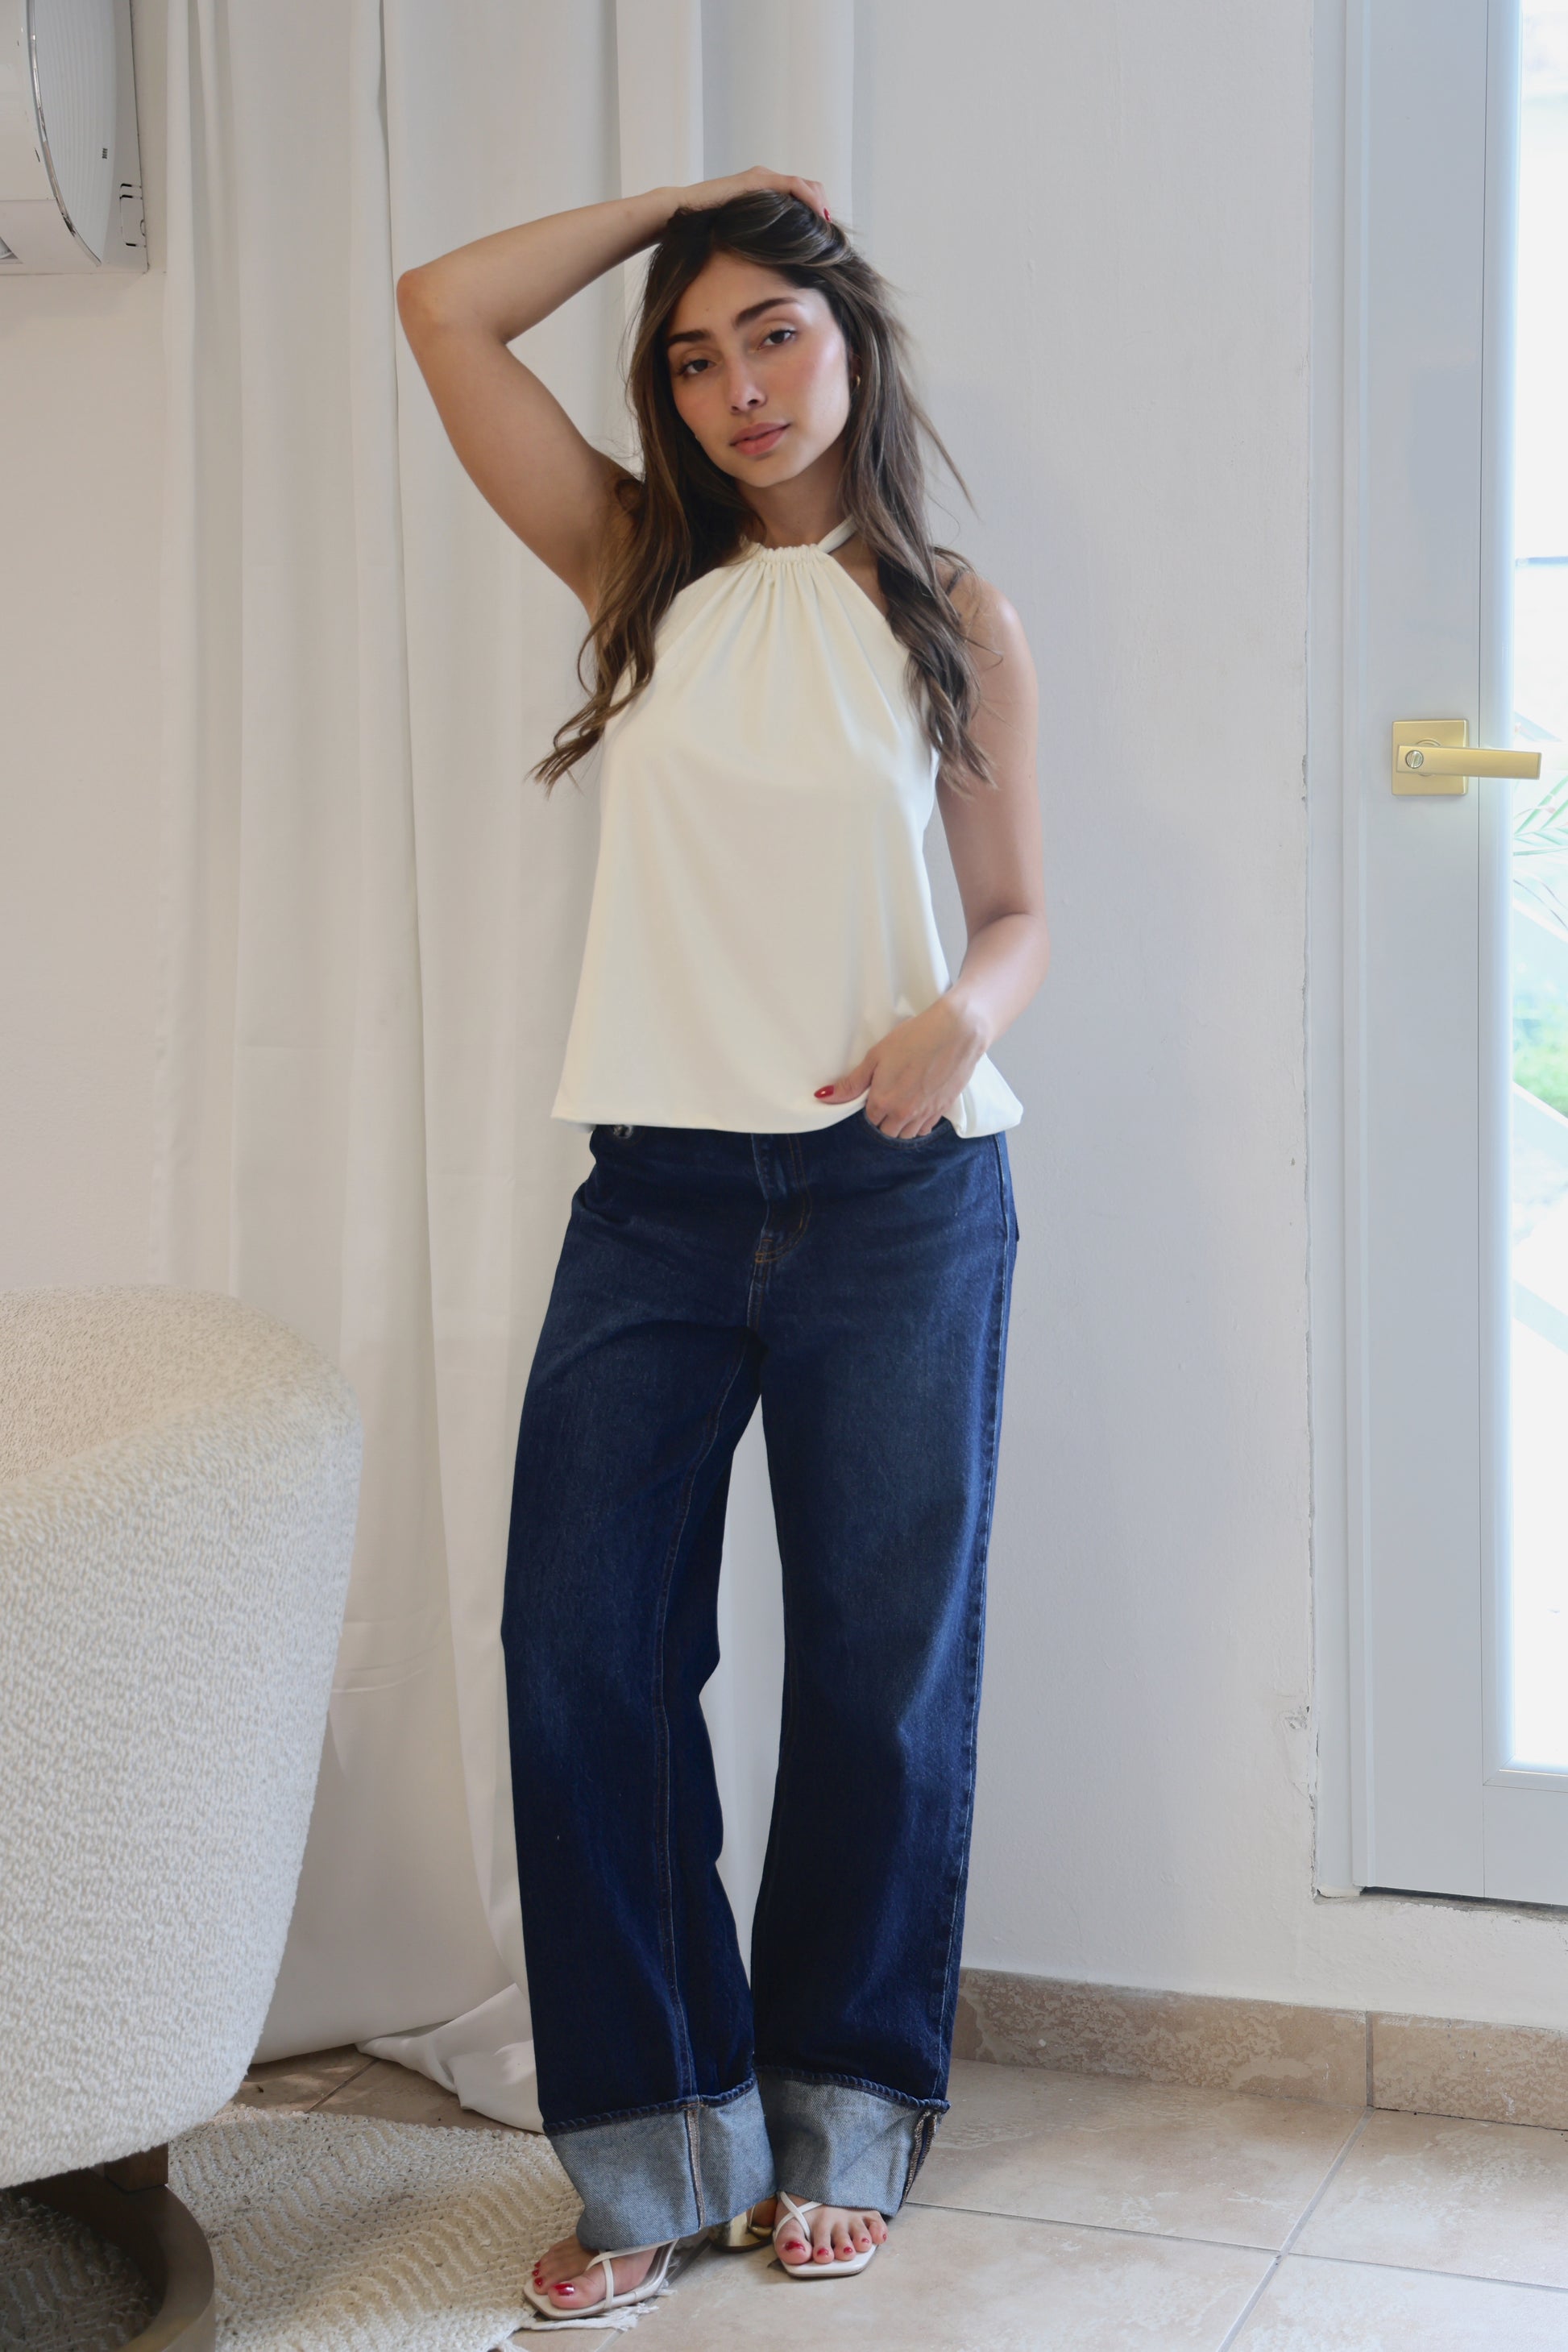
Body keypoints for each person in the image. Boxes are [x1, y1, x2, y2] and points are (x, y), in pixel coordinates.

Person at [396, 164, 1047, 2323]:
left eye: (772, 331)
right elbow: (441, 309)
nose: (737, 384)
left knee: (876, 1685)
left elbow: (1022, 909)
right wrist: (691, 202)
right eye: (692, 355)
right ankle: (655, 2154)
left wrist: (958, 1017)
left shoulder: (946, 607)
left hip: (896, 1202)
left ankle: (843, 2114)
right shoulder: (633, 575)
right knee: (583, 1659)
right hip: (659, 1206)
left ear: (852, 347)